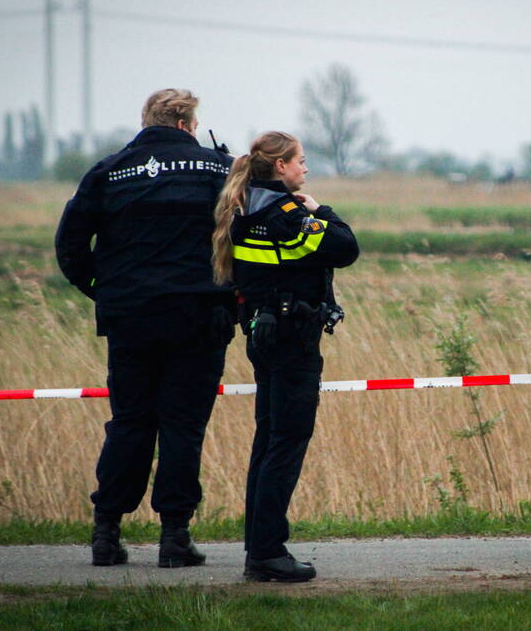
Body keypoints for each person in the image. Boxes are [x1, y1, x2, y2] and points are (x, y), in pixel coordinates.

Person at [55, 89, 235, 568]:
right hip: (198, 316)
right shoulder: (220, 169)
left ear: (148, 121)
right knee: (182, 425)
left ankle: (106, 534)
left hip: (130, 318)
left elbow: (70, 242)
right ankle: (175, 538)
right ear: (186, 125)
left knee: (130, 422)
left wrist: (104, 290)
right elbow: (246, 235)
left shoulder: (109, 171)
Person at [212, 131, 358, 583]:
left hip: (263, 333)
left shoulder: (243, 211)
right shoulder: (286, 213)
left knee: (268, 439)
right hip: (293, 339)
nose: (305, 169)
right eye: (300, 161)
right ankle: (268, 552)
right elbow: (346, 247)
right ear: (280, 166)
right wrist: (322, 211)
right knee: (287, 442)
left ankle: (258, 545)